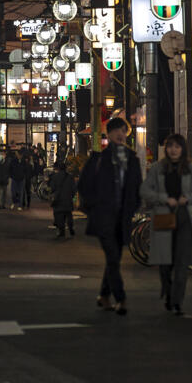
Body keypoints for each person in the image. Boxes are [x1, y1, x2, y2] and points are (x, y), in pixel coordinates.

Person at [140, 133, 192, 315]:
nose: (173, 150)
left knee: (181, 263)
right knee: (165, 263)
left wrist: (188, 197)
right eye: (170, 146)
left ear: (183, 149)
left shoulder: (191, 169)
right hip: (164, 217)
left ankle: (176, 301)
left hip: (185, 218)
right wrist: (164, 199)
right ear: (166, 149)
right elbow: (145, 190)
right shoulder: (158, 168)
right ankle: (168, 291)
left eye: (177, 146)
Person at [77, 117, 142, 315]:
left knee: (114, 259)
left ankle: (104, 295)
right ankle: (120, 299)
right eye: (116, 131)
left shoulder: (132, 159)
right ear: (108, 133)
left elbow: (137, 187)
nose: (120, 134)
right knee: (113, 256)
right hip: (104, 216)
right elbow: (83, 185)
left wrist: (133, 208)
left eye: (123, 131)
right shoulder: (99, 159)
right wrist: (93, 209)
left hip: (123, 217)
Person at [50, 161, 75, 238]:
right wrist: (71, 195)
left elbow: (53, 188)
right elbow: (74, 189)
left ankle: (62, 231)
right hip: (68, 199)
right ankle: (70, 227)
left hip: (59, 199)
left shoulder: (55, 176)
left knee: (59, 215)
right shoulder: (70, 177)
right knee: (68, 214)